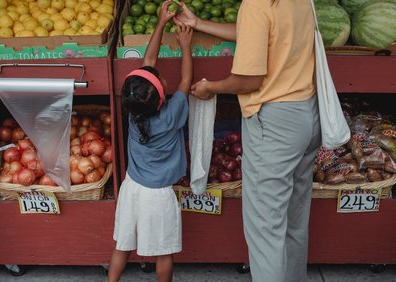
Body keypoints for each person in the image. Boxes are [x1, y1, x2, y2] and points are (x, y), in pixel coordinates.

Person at [175, 1, 321, 281]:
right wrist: (200, 23)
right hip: (305, 113)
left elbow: (248, 80)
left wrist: (210, 88)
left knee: (265, 229)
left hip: (274, 122)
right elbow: (260, 33)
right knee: (293, 222)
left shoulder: (256, 5)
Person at [107, 1, 193, 281]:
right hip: (158, 196)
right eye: (159, 78)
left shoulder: (134, 113)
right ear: (159, 97)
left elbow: (148, 62)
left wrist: (159, 22)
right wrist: (184, 45)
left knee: (122, 246)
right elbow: (186, 80)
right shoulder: (171, 115)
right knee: (163, 253)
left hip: (131, 188)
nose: (159, 73)